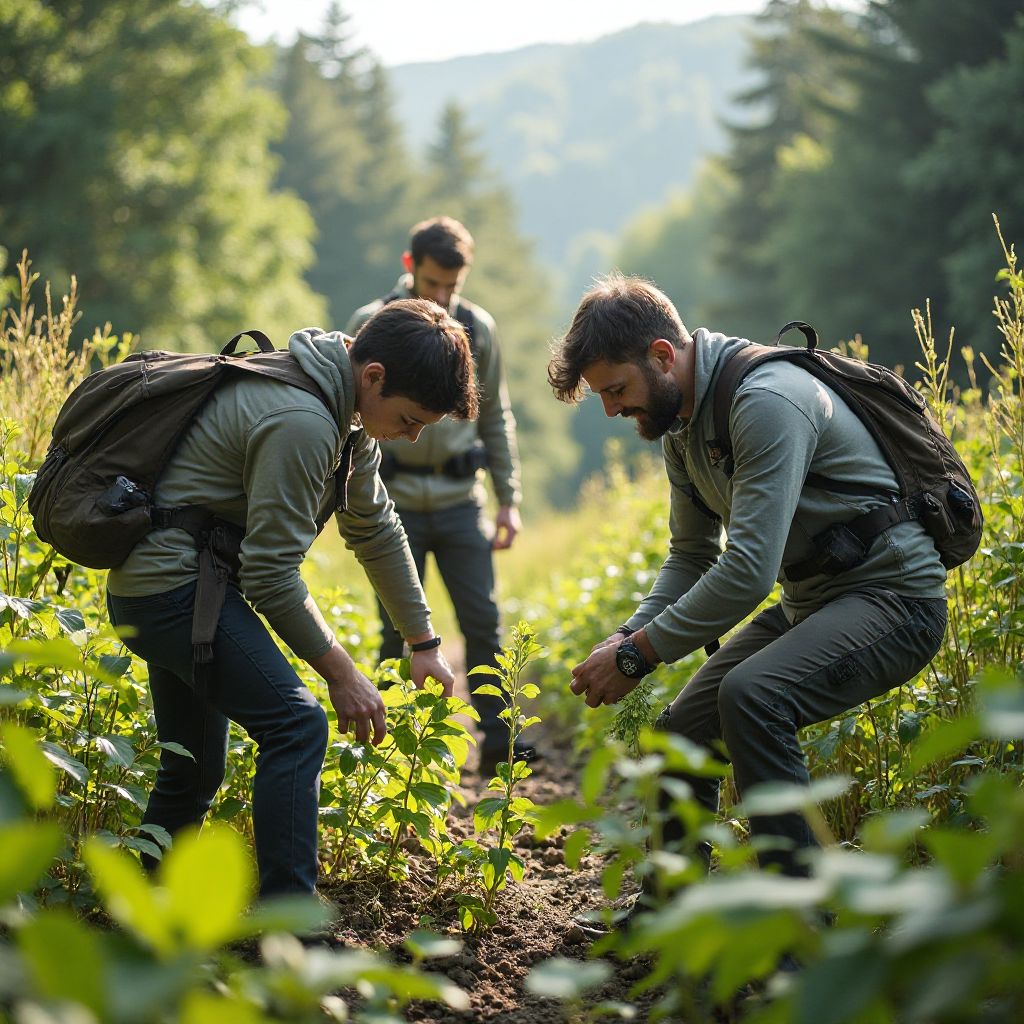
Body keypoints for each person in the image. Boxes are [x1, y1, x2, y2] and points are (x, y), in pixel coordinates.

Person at [548, 273, 948, 891]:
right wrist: (628, 635)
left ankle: (799, 921)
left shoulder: (766, 401)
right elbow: (690, 555)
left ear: (662, 356)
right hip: (814, 602)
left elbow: (749, 570)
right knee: (683, 732)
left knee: (754, 697)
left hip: (894, 598)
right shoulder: (682, 427)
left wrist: (638, 657)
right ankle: (670, 910)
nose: (611, 409)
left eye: (616, 389)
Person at [105, 300, 477, 898]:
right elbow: (271, 575)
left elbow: (375, 527)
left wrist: (424, 641)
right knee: (297, 726)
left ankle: (136, 914)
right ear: (374, 376)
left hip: (172, 591)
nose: (412, 435)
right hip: (170, 593)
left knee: (194, 766)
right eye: (410, 419)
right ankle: (292, 931)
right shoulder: (303, 421)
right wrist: (342, 674)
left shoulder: (342, 411)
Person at [347, 216, 534, 772]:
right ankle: (384, 750)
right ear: (411, 268)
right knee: (394, 627)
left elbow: (496, 415)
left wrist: (509, 498)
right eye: (434, 285)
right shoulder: (373, 325)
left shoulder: (478, 329)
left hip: (460, 501)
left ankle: (499, 745)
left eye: (454, 286)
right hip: (393, 499)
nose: (445, 297)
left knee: (483, 621)